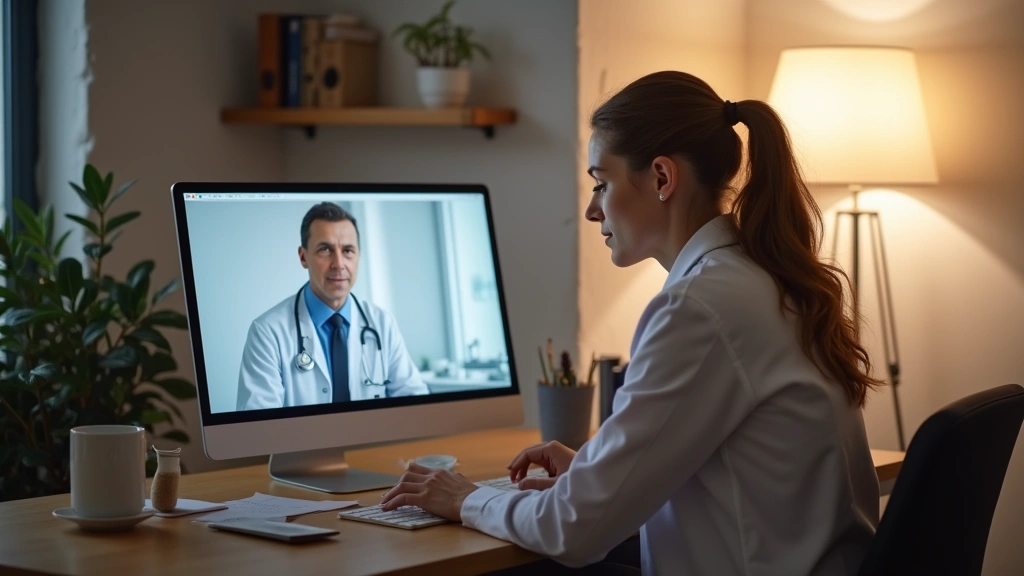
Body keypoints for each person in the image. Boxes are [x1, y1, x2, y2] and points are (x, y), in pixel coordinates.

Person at [380, 70, 883, 575]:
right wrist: (600, 475)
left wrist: (466, 498)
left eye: (602, 183)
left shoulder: (699, 308)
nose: (591, 210)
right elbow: (740, 472)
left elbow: (571, 530)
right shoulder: (764, 278)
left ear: (662, 178)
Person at [237, 202, 429, 409]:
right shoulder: (267, 332)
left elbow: (414, 401)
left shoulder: (382, 324)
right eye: (325, 249)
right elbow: (258, 426)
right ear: (303, 257)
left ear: (358, 258)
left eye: (348, 250)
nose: (338, 263)